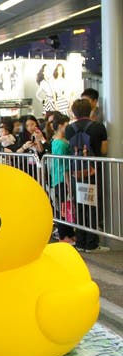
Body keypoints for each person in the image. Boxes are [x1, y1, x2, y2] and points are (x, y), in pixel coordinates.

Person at [65, 98, 108, 253]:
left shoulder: (69, 129)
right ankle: (92, 244)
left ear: (74, 112)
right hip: (93, 171)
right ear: (90, 110)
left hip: (76, 172)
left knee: (80, 205)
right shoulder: (98, 127)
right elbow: (103, 150)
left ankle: (80, 241)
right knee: (93, 205)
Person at [49, 112, 75, 245]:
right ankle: (64, 235)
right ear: (60, 126)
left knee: (65, 206)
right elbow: (63, 164)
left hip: (59, 178)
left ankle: (68, 234)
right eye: (66, 125)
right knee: (64, 207)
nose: (68, 127)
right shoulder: (60, 143)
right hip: (62, 179)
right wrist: (68, 182)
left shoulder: (57, 140)